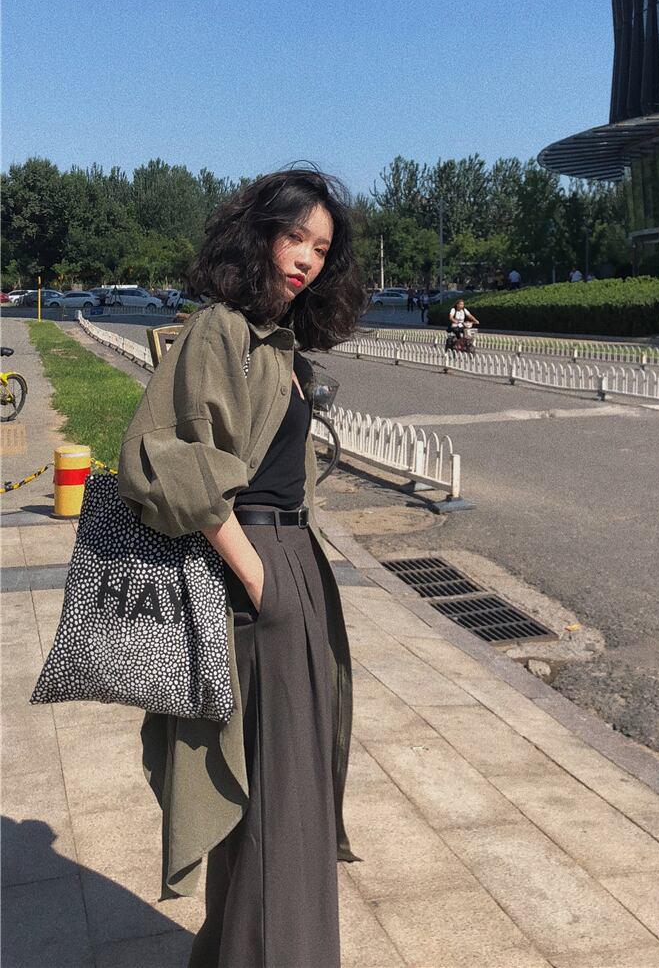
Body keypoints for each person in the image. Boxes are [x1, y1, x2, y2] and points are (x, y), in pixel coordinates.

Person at [117, 169, 365, 968]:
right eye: (294, 237)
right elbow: (166, 459)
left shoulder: (277, 343)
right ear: (257, 235)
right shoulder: (222, 330)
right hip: (256, 572)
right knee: (275, 811)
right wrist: (259, 578)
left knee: (293, 796)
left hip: (293, 566)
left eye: (320, 248)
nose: (307, 259)